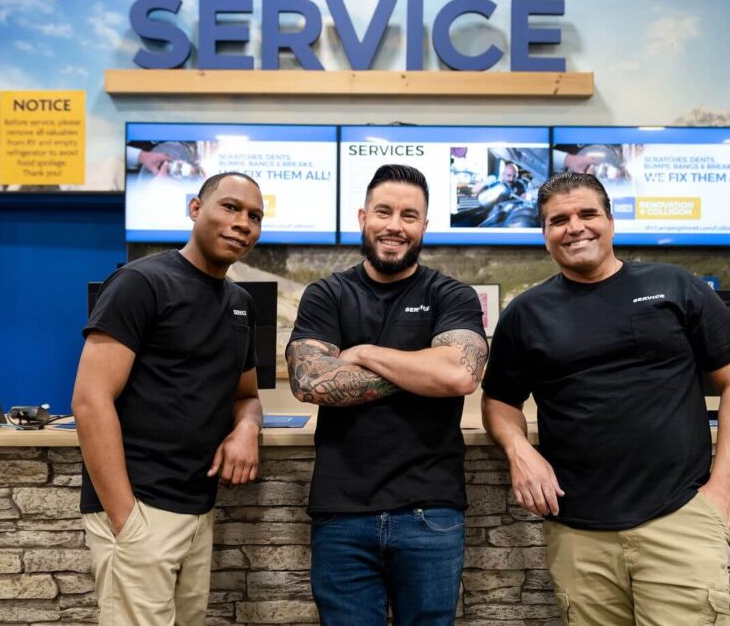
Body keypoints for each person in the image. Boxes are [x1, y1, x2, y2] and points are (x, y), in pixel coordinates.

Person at [481, 171, 730, 626]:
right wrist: (518, 450)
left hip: (678, 519)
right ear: (545, 235)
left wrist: (722, 490)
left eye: (588, 213)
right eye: (559, 220)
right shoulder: (526, 314)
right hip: (577, 533)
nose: (575, 227)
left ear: (611, 221)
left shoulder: (675, 286)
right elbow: (500, 402)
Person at [286, 164, 489, 626]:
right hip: (341, 514)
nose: (395, 225)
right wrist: (422, 370)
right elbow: (309, 380)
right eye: (384, 211)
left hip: (431, 512)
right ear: (363, 217)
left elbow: (459, 374)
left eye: (409, 215)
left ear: (424, 225)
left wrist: (366, 354)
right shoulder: (327, 295)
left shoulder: (452, 295)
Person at [73, 172, 266, 625]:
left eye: (255, 216)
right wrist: (125, 517)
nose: (243, 223)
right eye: (231, 207)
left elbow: (247, 396)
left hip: (198, 511)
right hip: (140, 508)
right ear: (195, 209)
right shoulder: (141, 283)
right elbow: (90, 399)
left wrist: (247, 428)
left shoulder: (240, 302)